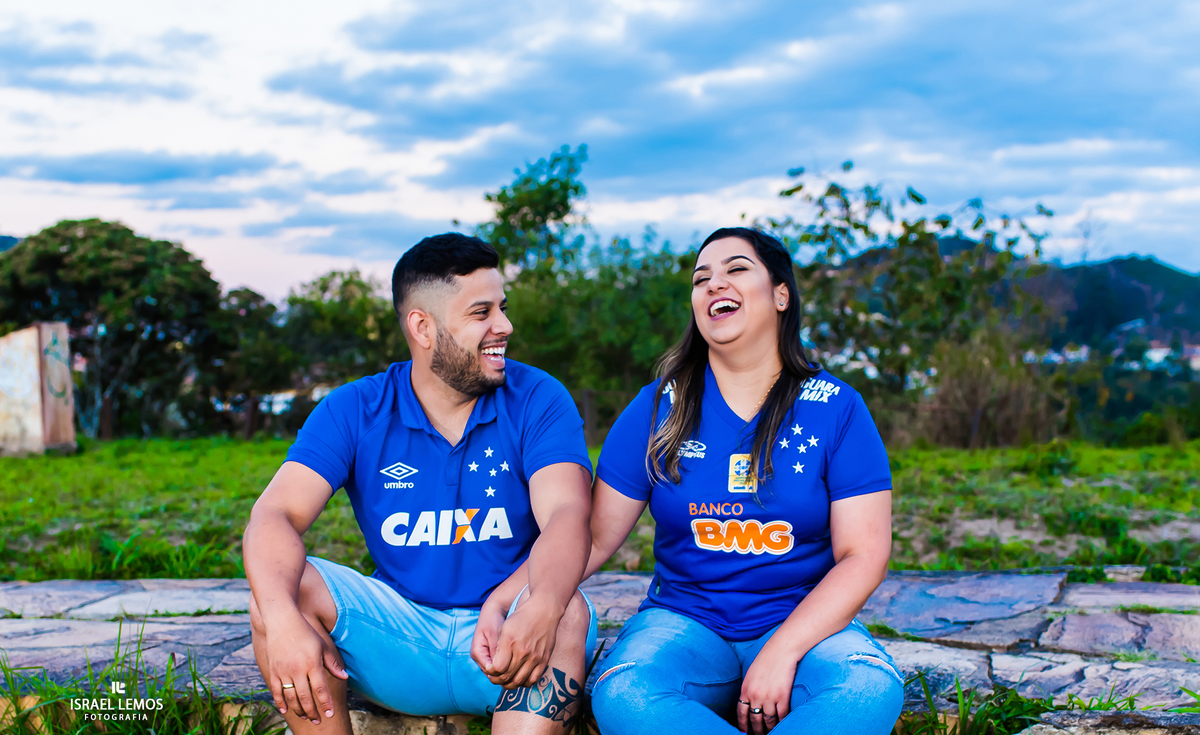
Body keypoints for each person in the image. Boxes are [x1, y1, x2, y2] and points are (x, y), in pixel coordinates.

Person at [244, 233, 597, 735]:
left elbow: (567, 513)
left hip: (511, 637)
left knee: (567, 609)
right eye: (482, 313)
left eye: (503, 308)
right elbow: (274, 514)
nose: (504, 326)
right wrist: (281, 622)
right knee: (279, 592)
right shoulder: (355, 408)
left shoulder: (538, 396)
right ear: (422, 327)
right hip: (399, 638)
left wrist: (541, 606)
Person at [586, 227, 903, 735]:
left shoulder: (836, 407)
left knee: (868, 688)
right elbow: (594, 538)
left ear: (781, 295)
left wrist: (783, 650)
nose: (714, 284)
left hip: (801, 621)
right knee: (624, 692)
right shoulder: (658, 405)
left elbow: (864, 554)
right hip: (684, 622)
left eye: (736, 269)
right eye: (701, 279)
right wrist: (519, 598)